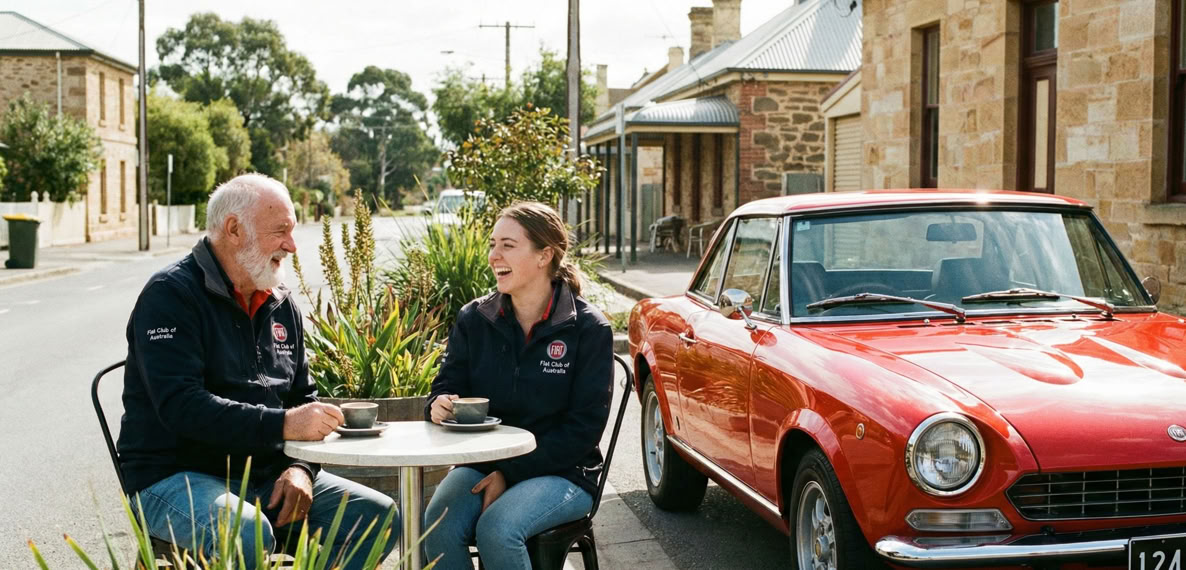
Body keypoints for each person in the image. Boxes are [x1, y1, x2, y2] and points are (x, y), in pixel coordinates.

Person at [117, 174, 396, 569]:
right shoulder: (170, 295)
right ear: (233, 229)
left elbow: (303, 399)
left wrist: (300, 468)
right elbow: (181, 407)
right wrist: (283, 425)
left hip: (265, 476)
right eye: (280, 231)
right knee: (248, 531)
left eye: (292, 231)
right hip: (174, 476)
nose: (292, 245)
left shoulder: (281, 302)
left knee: (377, 515)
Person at [422, 201, 614, 569]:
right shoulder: (474, 319)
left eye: (508, 245)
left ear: (545, 256)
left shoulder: (589, 329)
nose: (494, 255)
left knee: (498, 528)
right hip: (483, 463)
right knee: (437, 526)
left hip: (566, 472)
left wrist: (511, 474)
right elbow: (446, 385)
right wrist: (438, 403)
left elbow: (584, 430)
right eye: (493, 244)